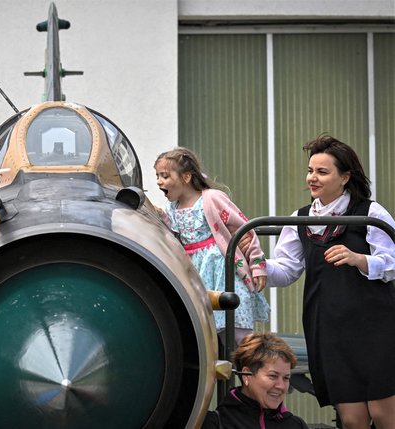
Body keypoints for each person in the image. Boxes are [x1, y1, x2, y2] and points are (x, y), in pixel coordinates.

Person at [265, 135, 395, 429]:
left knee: (385, 414)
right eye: (310, 170)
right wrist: (258, 267)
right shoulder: (299, 218)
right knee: (352, 420)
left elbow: (393, 262)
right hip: (329, 327)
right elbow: (287, 269)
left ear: (345, 177)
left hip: (376, 327)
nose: (312, 178)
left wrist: (360, 259)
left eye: (322, 172)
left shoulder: (370, 213)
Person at [154, 147, 269, 343]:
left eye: (164, 176)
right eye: (157, 176)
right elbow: (172, 237)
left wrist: (257, 265)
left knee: (239, 334)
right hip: (195, 274)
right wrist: (159, 216)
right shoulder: (171, 209)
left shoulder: (212, 198)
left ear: (186, 177)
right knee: (207, 336)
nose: (159, 181)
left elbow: (244, 230)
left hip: (221, 271)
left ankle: (255, 370)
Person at [201, 332, 309, 428]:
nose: (281, 386)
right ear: (246, 375)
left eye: (286, 378)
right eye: (273, 376)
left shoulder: (296, 425)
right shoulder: (216, 423)